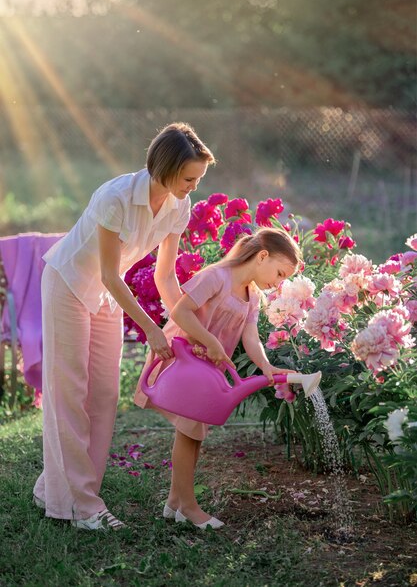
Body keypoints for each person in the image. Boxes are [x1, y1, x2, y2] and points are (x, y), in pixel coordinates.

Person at [33, 122, 215, 530]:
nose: (193, 187)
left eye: (199, 179)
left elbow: (164, 278)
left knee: (104, 395)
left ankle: (60, 490)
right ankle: (83, 506)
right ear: (164, 168)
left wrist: (182, 325)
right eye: (189, 178)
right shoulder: (115, 196)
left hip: (105, 296)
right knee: (70, 392)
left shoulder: (178, 206)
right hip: (68, 284)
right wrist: (150, 329)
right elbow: (112, 275)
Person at [134, 227, 302, 529]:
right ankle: (187, 505)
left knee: (194, 432)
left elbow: (251, 337)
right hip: (183, 361)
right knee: (190, 431)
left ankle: (175, 501)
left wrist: (266, 367)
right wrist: (211, 341)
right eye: (279, 274)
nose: (278, 284)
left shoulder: (252, 295)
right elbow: (180, 313)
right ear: (262, 256)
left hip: (206, 368)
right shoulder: (217, 276)